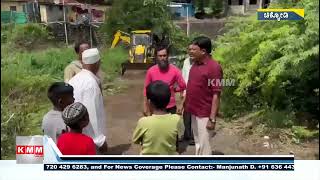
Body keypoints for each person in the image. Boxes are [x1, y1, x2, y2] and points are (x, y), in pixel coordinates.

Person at [185, 36, 223, 155]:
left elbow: (216, 94)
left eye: (194, 50)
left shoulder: (214, 67)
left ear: (203, 51)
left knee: (205, 146)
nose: (190, 51)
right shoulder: (195, 64)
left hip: (205, 114)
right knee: (198, 143)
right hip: (194, 112)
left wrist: (212, 119)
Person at [68, 48, 108, 153]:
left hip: (75, 135)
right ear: (97, 63)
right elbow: (93, 114)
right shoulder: (91, 84)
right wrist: (99, 141)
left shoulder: (74, 79)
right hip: (90, 141)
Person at [133, 80, 184, 155]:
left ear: (149, 102)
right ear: (168, 100)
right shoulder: (177, 119)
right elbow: (180, 136)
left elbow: (136, 140)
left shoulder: (143, 122)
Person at [143, 45, 186, 116]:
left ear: (168, 56)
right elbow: (145, 90)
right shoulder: (151, 71)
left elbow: (183, 85)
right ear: (156, 57)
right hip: (155, 107)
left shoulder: (175, 70)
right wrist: (145, 106)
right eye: (160, 56)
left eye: (164, 55)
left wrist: (176, 89)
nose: (162, 58)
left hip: (171, 106)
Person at [178, 44, 195, 145]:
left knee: (194, 115)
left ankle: (193, 136)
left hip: (195, 93)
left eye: (193, 49)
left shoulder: (199, 63)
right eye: (189, 49)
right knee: (186, 115)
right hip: (185, 92)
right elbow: (183, 78)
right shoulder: (185, 62)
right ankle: (187, 134)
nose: (191, 51)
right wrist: (181, 91)